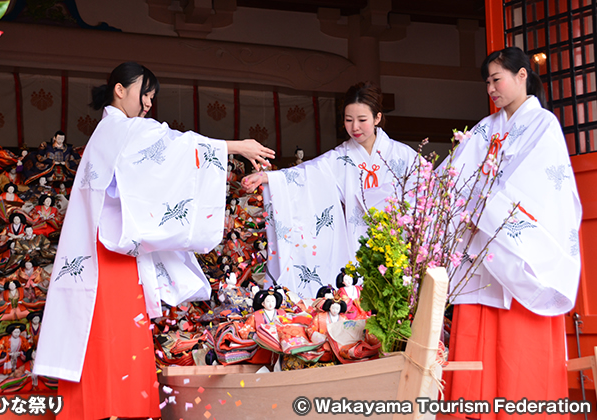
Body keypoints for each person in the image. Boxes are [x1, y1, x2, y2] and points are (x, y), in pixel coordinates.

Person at [34, 61, 274, 420]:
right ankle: (120, 409)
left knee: (106, 333)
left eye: (152, 96)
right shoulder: (120, 129)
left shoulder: (112, 130)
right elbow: (176, 146)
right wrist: (235, 146)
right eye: (144, 92)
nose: (148, 102)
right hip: (108, 252)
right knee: (113, 332)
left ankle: (100, 408)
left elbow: (165, 154)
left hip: (105, 248)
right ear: (120, 89)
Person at [443, 47, 582, 419]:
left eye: (497, 79)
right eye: (487, 81)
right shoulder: (484, 130)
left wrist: (481, 208)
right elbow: (453, 176)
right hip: (482, 250)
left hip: (516, 250)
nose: (491, 88)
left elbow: (537, 186)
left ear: (523, 76)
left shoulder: (543, 125)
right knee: (477, 332)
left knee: (519, 343)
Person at [242, 82, 417, 298]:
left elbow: (424, 192)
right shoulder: (340, 157)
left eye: (362, 120)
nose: (355, 127)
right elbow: (307, 175)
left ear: (377, 118)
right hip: (356, 241)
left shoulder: (403, 156)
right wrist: (267, 177)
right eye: (348, 120)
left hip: (397, 242)